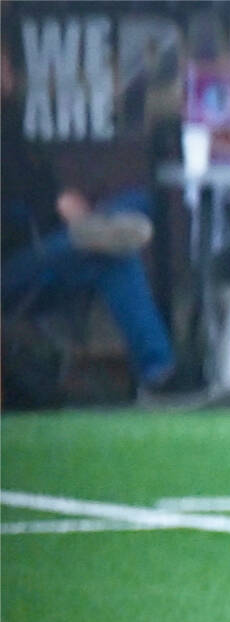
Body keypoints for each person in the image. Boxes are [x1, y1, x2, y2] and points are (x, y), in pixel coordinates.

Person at [1, 42, 176, 396]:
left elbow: (44, 185)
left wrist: (68, 203)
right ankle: (159, 372)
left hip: (55, 245)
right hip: (17, 260)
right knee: (114, 247)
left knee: (134, 218)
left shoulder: (12, 122)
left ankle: (158, 375)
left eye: (4, 60)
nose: (5, 70)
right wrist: (54, 206)